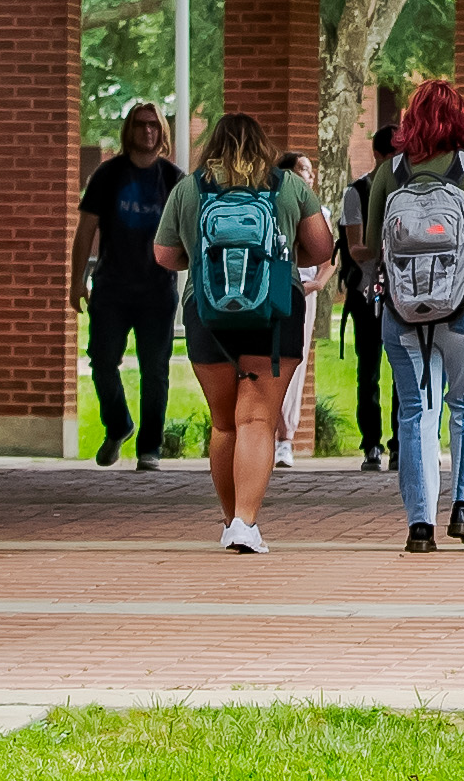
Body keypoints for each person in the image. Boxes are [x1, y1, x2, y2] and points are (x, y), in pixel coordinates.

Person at [151, 110, 328, 554]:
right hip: (274, 312)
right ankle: (246, 525)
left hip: (207, 312)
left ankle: (230, 520)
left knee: (225, 422)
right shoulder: (288, 186)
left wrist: (201, 259)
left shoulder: (189, 189)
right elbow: (322, 247)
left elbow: (163, 255)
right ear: (263, 145)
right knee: (258, 419)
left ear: (213, 144)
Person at [370, 82, 464, 553]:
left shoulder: (388, 173)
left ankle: (419, 526)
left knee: (415, 412)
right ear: (461, 119)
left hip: (403, 307)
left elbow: (374, 240)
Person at [72, 103, 183, 466]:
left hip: (157, 290)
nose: (147, 131)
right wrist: (77, 281)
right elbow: (85, 229)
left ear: (162, 132)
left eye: (154, 125)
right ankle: (118, 425)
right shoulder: (108, 175)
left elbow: (189, 233)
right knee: (102, 362)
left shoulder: (173, 179)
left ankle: (150, 448)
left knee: (156, 369)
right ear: (129, 130)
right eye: (140, 125)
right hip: (112, 286)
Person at [336, 85, 401, 476]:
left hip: (404, 291)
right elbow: (356, 247)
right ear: (379, 155)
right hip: (366, 292)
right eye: (395, 155)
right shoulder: (356, 192)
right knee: (369, 370)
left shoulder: (410, 188)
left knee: (403, 369)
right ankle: (371, 443)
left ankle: (399, 442)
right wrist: (392, 240)